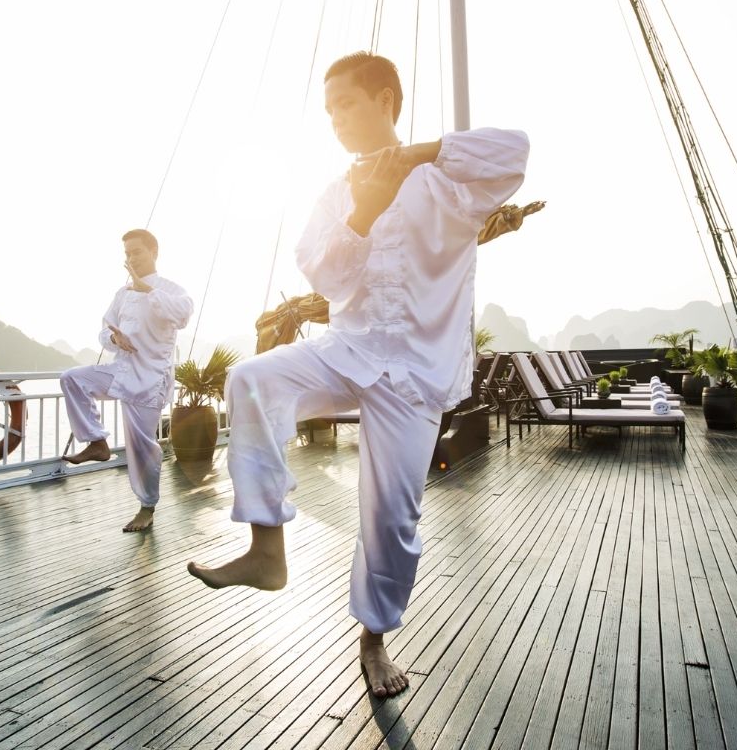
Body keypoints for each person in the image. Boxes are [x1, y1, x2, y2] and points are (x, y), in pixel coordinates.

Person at [187, 52, 529, 698]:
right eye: (329, 110)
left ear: (386, 101)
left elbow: (512, 154)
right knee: (250, 382)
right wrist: (364, 210)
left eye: (347, 103)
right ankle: (267, 549)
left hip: (415, 372)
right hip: (348, 348)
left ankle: (373, 641)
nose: (337, 119)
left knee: (390, 519)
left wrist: (409, 160)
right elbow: (326, 274)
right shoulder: (333, 194)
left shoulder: (444, 181)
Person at [61, 229, 193, 532]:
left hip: (151, 378)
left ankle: (147, 508)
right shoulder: (122, 293)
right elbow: (104, 330)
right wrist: (113, 338)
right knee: (72, 379)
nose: (130, 258)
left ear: (154, 252)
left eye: (136, 252)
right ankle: (97, 441)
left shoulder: (171, 289)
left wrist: (145, 288)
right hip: (121, 369)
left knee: (141, 446)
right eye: (127, 254)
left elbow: (182, 316)